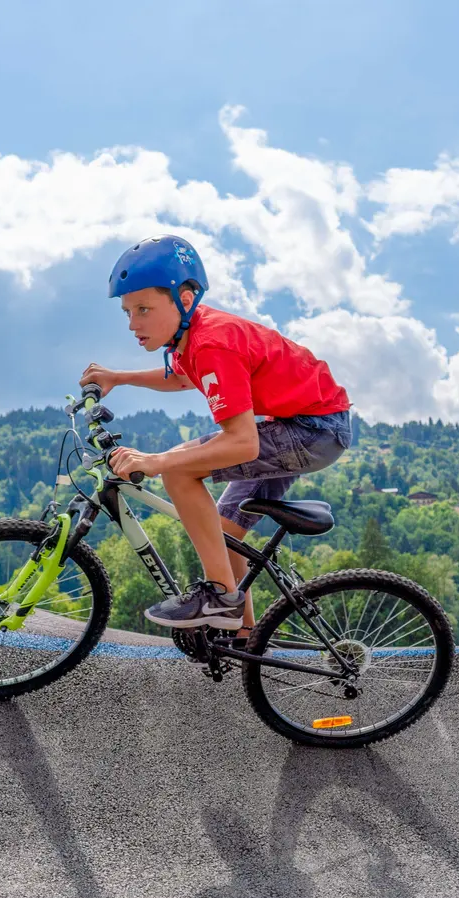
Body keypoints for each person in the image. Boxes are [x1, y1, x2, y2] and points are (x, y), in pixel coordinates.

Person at [80, 236, 353, 632]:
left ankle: (222, 598)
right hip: (305, 425)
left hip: (314, 430)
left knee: (178, 471)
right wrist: (119, 378)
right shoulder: (193, 337)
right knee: (224, 532)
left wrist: (156, 462)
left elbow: (242, 443)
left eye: (144, 309)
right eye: (127, 312)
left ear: (185, 300)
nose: (133, 323)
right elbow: (181, 380)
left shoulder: (211, 342)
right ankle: (244, 636)